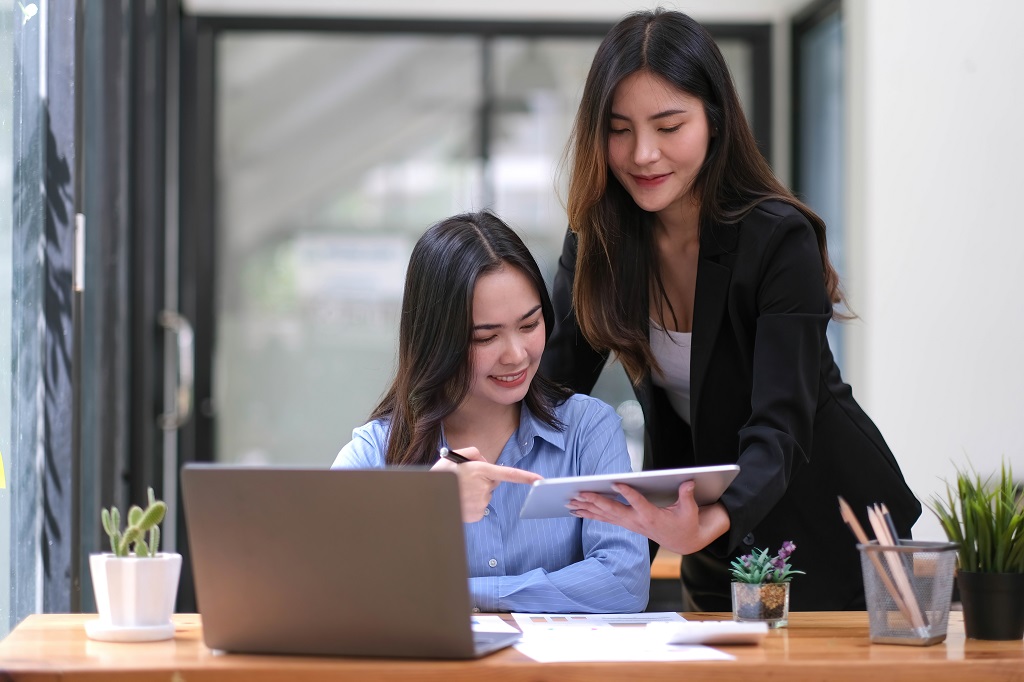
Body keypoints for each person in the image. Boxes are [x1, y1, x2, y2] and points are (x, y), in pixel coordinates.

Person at [541, 8, 921, 612]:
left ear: (714, 121)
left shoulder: (778, 238)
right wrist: (476, 454)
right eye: (619, 129)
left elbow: (779, 425)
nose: (643, 154)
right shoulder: (600, 242)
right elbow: (551, 389)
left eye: (669, 126)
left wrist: (712, 521)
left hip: (827, 518)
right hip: (710, 536)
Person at [332, 211, 649, 614]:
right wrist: (428, 510)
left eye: (529, 325)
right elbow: (326, 583)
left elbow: (623, 584)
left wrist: (464, 594)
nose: (516, 355)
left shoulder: (588, 430)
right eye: (487, 337)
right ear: (437, 340)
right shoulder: (376, 451)